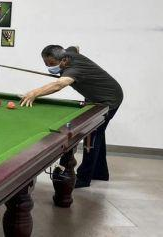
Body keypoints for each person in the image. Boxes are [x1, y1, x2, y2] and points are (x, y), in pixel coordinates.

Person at [20, 45, 123, 188]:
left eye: (51, 64)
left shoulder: (73, 70)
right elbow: (76, 47)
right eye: (46, 63)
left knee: (92, 136)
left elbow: (58, 85)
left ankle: (84, 178)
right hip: (97, 97)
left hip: (108, 99)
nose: (49, 67)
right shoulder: (69, 52)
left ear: (63, 60)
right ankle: (100, 172)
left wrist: (34, 93)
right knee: (98, 132)